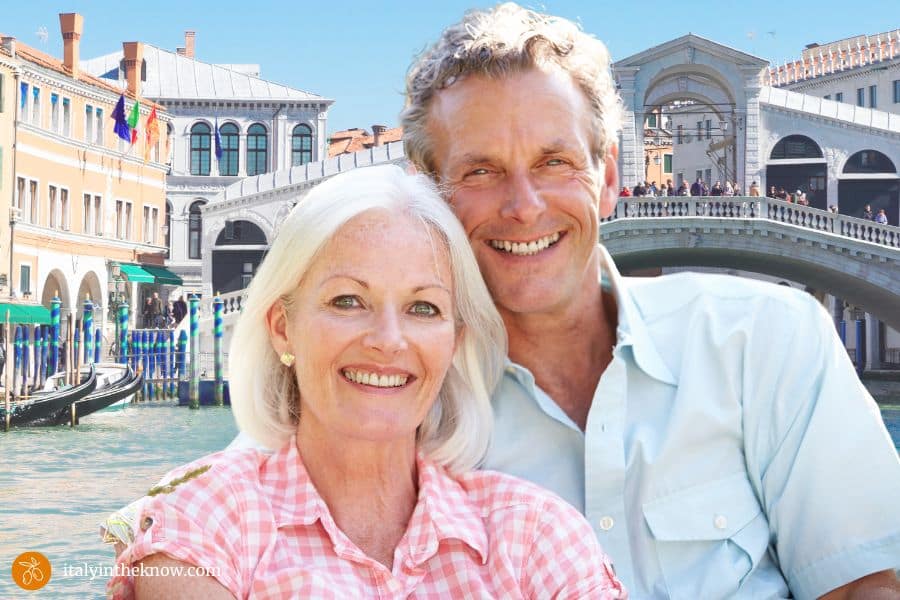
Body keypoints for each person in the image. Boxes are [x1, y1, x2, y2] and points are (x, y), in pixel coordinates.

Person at [400, 3, 900, 597]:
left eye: (554, 162)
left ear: (609, 177)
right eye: (481, 171)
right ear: (427, 195)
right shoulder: (403, 408)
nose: (525, 206)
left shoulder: (771, 339)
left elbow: (860, 587)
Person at [102, 165, 625, 598]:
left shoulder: (535, 534)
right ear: (284, 328)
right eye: (348, 301)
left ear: (453, 344)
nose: (388, 340)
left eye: (423, 308)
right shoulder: (206, 521)